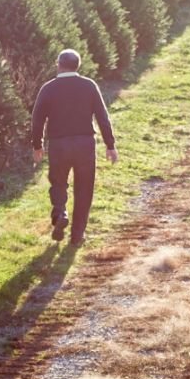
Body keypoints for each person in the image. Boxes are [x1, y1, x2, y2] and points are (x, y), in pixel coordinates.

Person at [30, 48, 118, 245]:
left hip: (59, 145)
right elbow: (102, 117)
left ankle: (60, 213)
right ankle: (77, 236)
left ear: (58, 65)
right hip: (85, 144)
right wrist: (110, 145)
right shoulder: (89, 86)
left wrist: (37, 145)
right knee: (84, 189)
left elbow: (37, 120)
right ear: (78, 65)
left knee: (58, 182)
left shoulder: (49, 88)